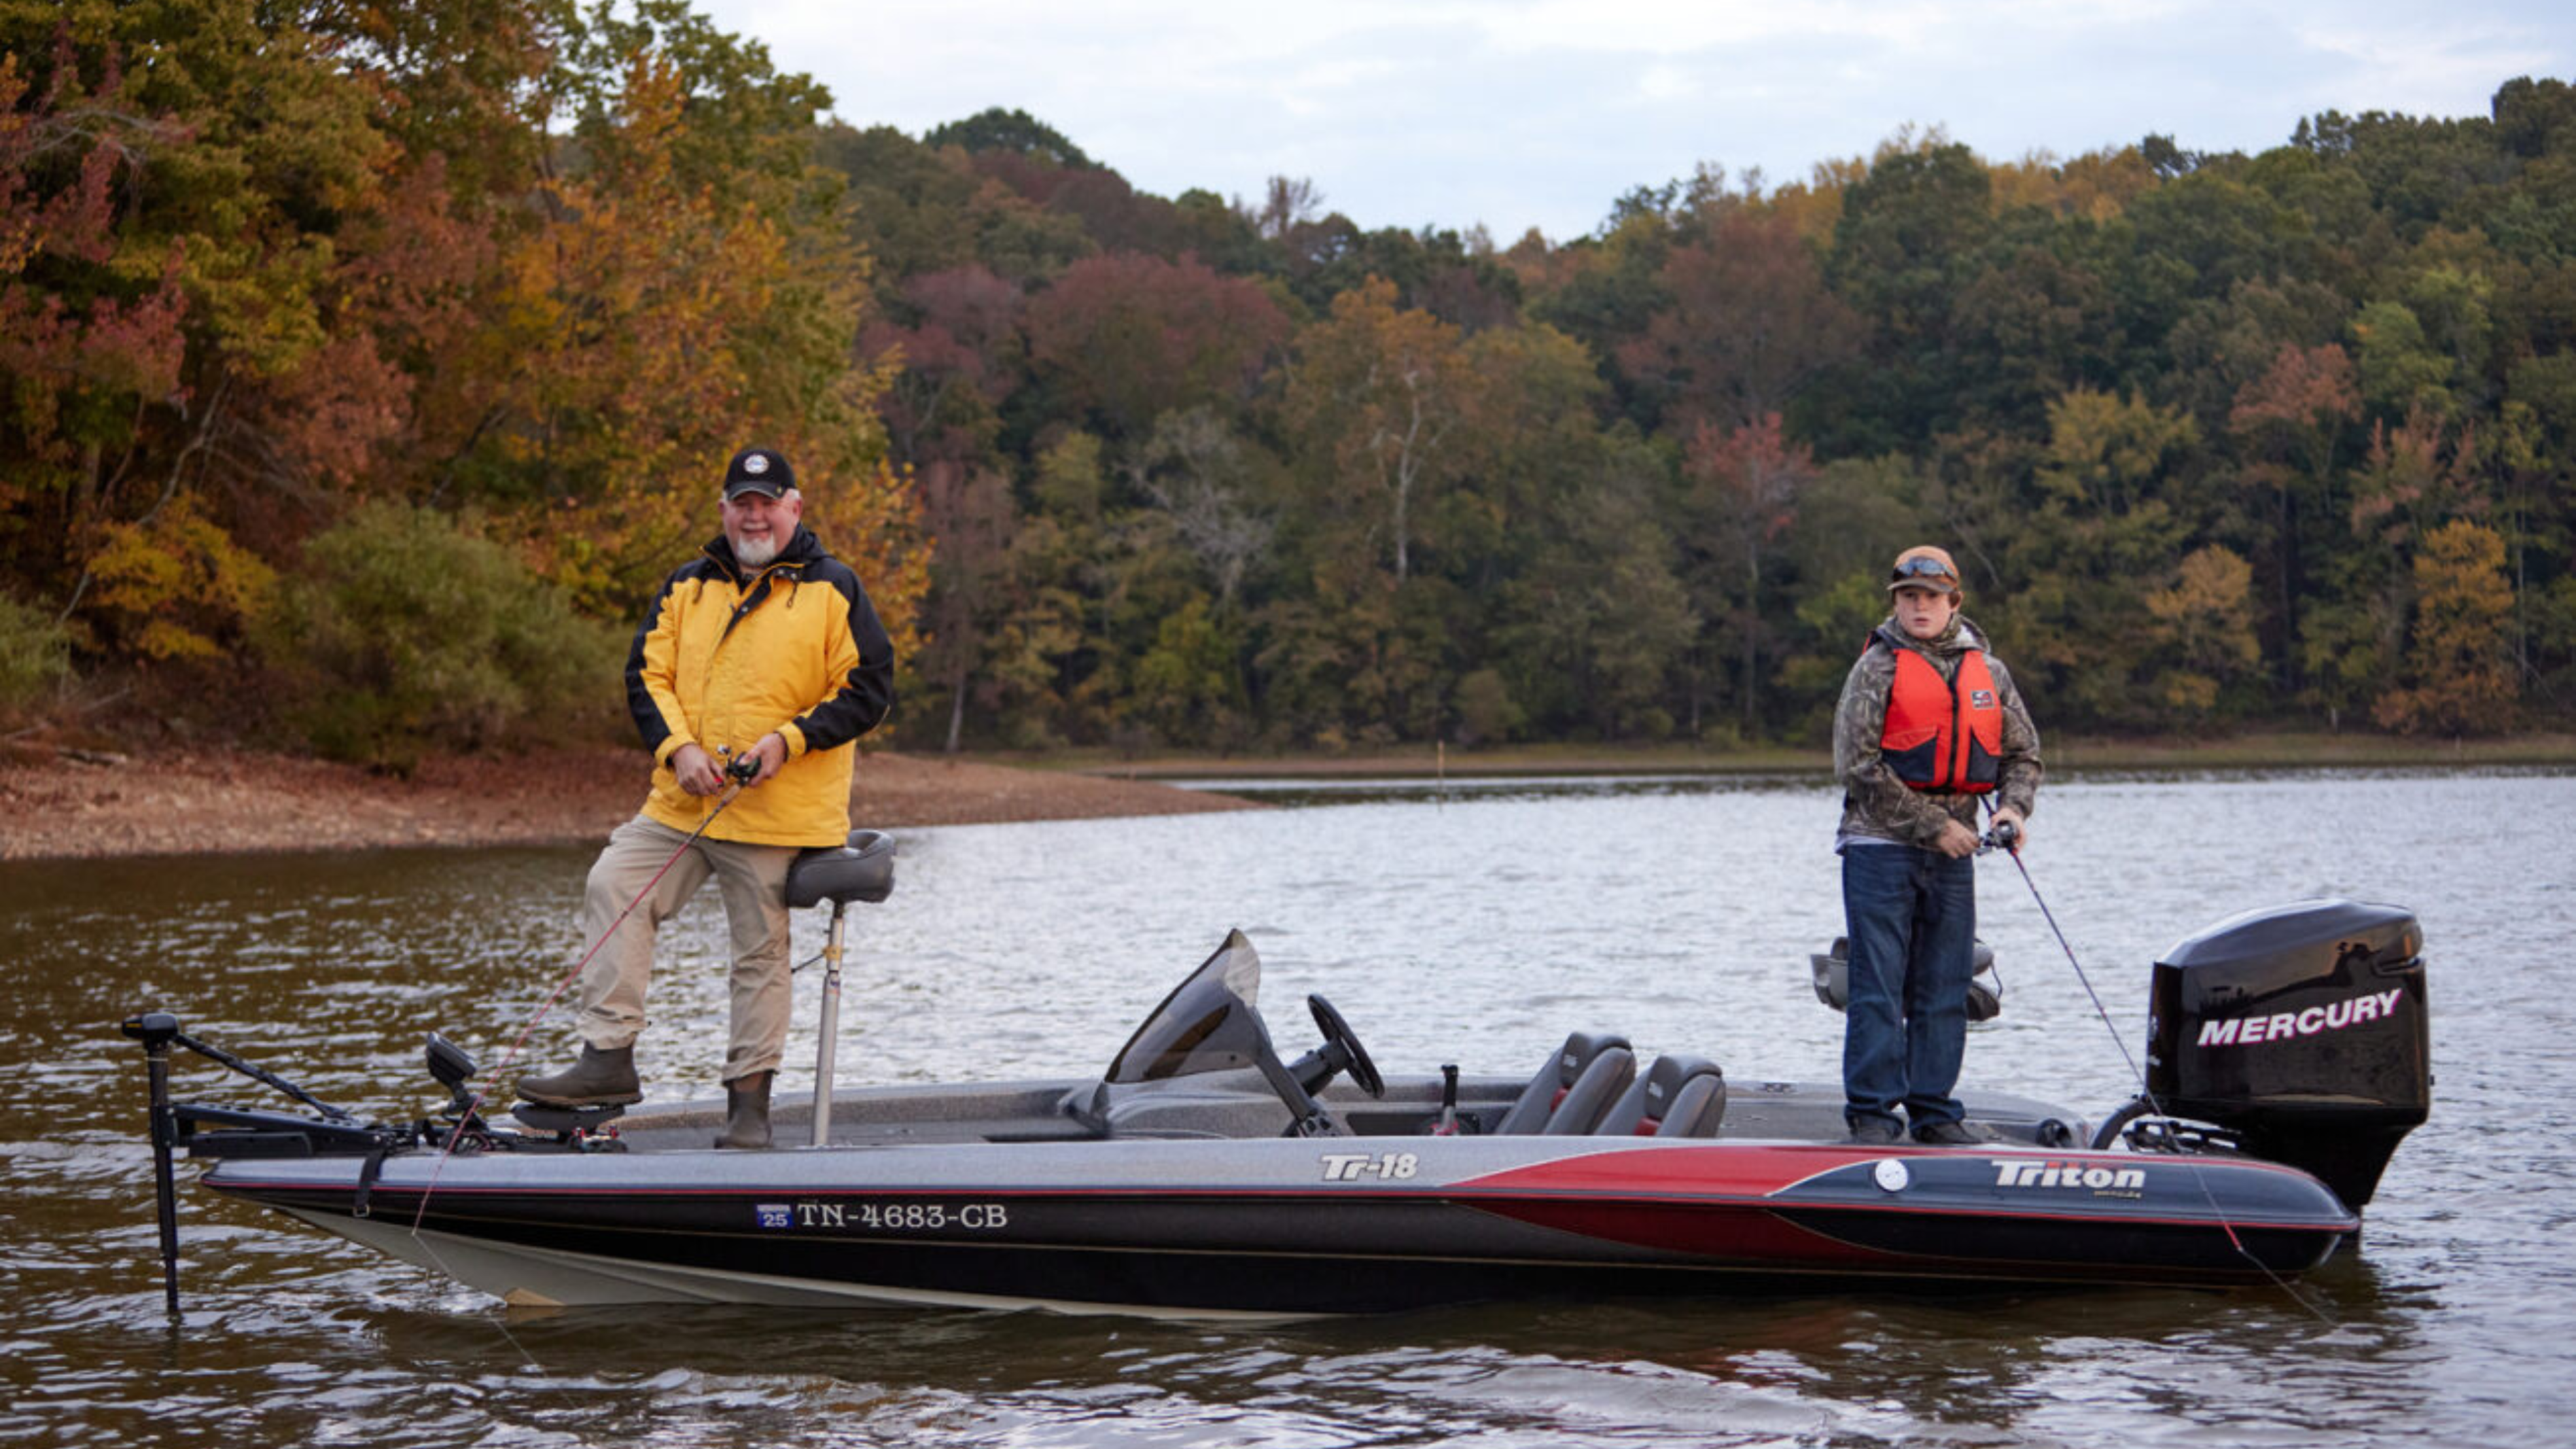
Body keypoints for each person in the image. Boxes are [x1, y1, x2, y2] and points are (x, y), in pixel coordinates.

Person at [518, 446, 896, 1149]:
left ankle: (748, 1110)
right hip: (680, 805)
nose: (754, 514)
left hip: (778, 815)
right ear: (723, 510)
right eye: (741, 502)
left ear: (794, 507)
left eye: (767, 501)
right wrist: (678, 750)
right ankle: (608, 1061)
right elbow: (646, 675)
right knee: (613, 884)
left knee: (758, 954)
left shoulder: (833, 586)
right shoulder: (686, 586)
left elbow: (868, 688)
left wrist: (788, 740)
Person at [1831, 545, 2040, 1146]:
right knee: (1879, 982)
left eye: (1929, 596)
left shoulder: (1989, 673)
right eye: (1907, 596)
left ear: (1954, 602)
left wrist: (2012, 807)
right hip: (1879, 847)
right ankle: (1871, 1113)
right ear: (1896, 602)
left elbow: (2022, 755)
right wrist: (1932, 826)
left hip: (1955, 849)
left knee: (1945, 983)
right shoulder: (1876, 668)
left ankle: (1934, 1112)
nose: (1918, 606)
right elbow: (1858, 766)